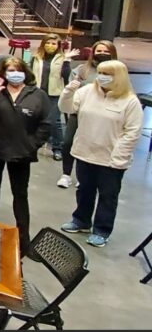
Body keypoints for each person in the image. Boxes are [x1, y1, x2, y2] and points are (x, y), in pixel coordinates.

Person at [58, 60, 143, 248]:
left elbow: (132, 132)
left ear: (119, 77)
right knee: (84, 190)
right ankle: (81, 221)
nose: (102, 76)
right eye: (101, 72)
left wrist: (118, 157)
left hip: (111, 159)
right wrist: (68, 91)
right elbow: (66, 108)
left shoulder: (129, 101)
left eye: (108, 73)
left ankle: (101, 230)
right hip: (85, 152)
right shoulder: (87, 92)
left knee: (107, 196)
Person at [0, 56, 52, 256]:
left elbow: (46, 125)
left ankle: (24, 240)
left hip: (21, 153)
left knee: (20, 194)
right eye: (9, 70)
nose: (14, 74)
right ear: (3, 74)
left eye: (17, 70)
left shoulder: (37, 95)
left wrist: (31, 146)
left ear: (25, 72)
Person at [58, 40, 117, 188]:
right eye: (99, 51)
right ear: (93, 53)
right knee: (68, 142)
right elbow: (71, 88)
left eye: (106, 52)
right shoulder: (82, 69)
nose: (102, 54)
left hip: (102, 117)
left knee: (89, 144)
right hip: (79, 113)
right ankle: (66, 175)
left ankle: (82, 176)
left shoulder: (118, 71)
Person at [30, 33, 77, 161]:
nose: (50, 46)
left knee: (54, 121)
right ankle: (34, 143)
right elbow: (30, 73)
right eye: (48, 43)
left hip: (55, 94)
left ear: (58, 46)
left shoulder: (62, 58)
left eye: (53, 43)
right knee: (34, 118)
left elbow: (66, 76)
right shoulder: (36, 57)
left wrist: (66, 61)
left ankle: (58, 148)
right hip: (38, 92)